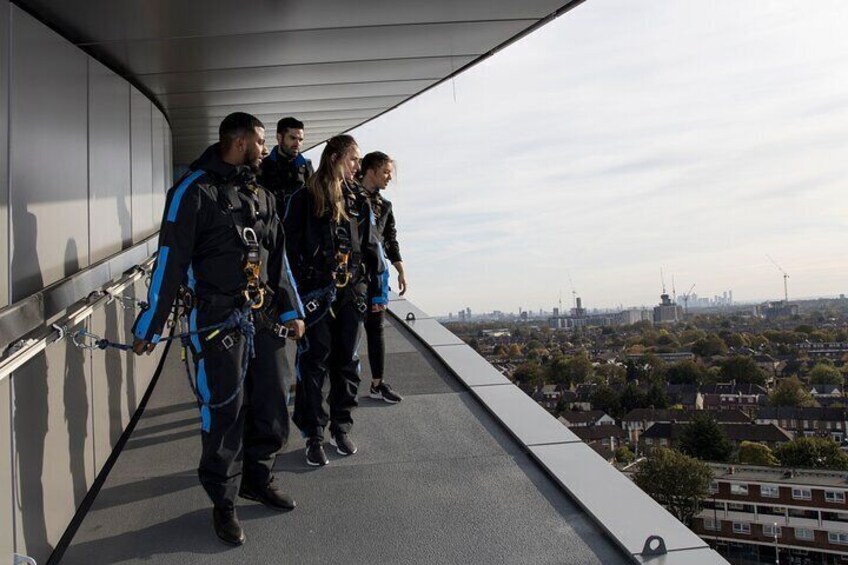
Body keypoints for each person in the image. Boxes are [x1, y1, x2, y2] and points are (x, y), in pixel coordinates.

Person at [131, 112, 305, 546]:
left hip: (261, 317)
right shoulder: (192, 192)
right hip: (216, 321)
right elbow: (170, 261)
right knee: (225, 411)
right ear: (241, 141)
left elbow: (277, 261)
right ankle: (223, 501)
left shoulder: (262, 195)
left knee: (273, 400)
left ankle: (257, 478)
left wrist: (291, 312)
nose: (265, 150)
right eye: (261, 142)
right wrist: (150, 325)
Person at [284, 134, 385, 466]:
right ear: (335, 158)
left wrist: (375, 293)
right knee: (314, 363)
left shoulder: (360, 201)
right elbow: (288, 252)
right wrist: (293, 301)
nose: (358, 166)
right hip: (315, 296)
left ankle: (341, 427)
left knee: (346, 362)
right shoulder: (303, 200)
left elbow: (372, 249)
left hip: (350, 295)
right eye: (354, 159)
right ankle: (313, 433)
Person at [357, 151, 406, 404]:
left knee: (376, 329)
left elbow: (390, 238)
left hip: (377, 277)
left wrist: (399, 268)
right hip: (351, 277)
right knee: (346, 332)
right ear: (372, 170)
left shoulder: (385, 206)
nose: (389, 178)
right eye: (386, 172)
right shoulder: (348, 197)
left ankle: (377, 384)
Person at [260, 116, 313, 213]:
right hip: (274, 224)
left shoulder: (306, 166)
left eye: (300, 140)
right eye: (293, 138)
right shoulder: (263, 166)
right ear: (279, 138)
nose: (297, 144)